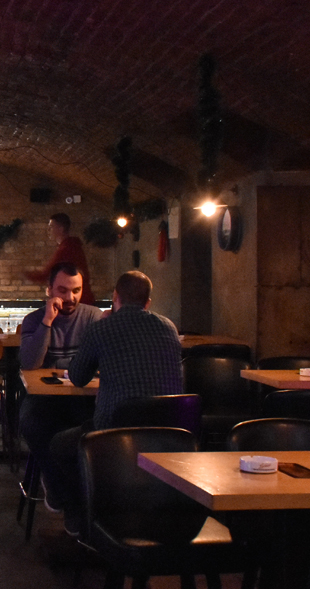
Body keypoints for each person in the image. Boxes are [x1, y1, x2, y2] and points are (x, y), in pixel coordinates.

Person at [48, 269, 184, 534]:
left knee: (59, 446)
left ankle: (84, 514)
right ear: (148, 303)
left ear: (115, 297)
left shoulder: (102, 328)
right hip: (169, 434)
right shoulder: (169, 327)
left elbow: (77, 377)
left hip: (115, 433)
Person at [17, 263, 102, 515]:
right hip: (44, 399)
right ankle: (60, 491)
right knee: (32, 423)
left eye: (76, 290)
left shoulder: (93, 317)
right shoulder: (34, 320)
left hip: (83, 398)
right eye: (62, 290)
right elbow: (30, 363)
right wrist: (47, 321)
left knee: (93, 428)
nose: (70, 297)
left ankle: (78, 498)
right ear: (49, 290)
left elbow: (102, 362)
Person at [25, 212, 95, 306]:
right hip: (82, 299)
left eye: (51, 227)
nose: (48, 230)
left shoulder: (67, 248)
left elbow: (46, 274)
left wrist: (24, 274)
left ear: (61, 229)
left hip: (78, 302)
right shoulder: (71, 246)